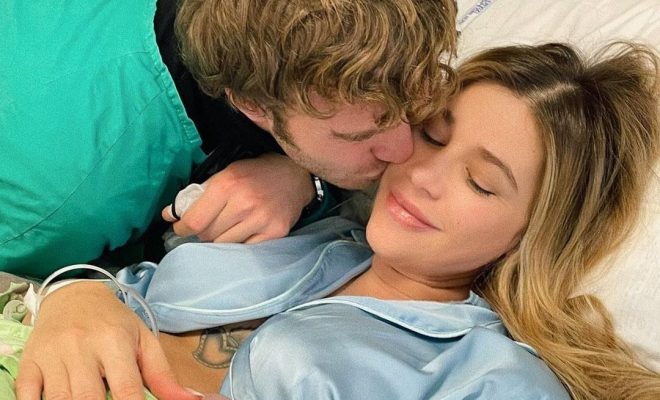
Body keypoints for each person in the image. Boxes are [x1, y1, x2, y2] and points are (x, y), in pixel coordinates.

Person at [10, 42, 660, 399]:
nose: (424, 174)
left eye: (480, 182)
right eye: (432, 135)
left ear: (529, 233)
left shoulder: (490, 378)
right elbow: (125, 288)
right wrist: (78, 295)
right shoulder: (310, 235)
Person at [0, 0, 457, 278]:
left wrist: (302, 178)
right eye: (358, 136)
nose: (405, 150)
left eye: (416, 110)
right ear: (253, 106)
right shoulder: (57, 208)